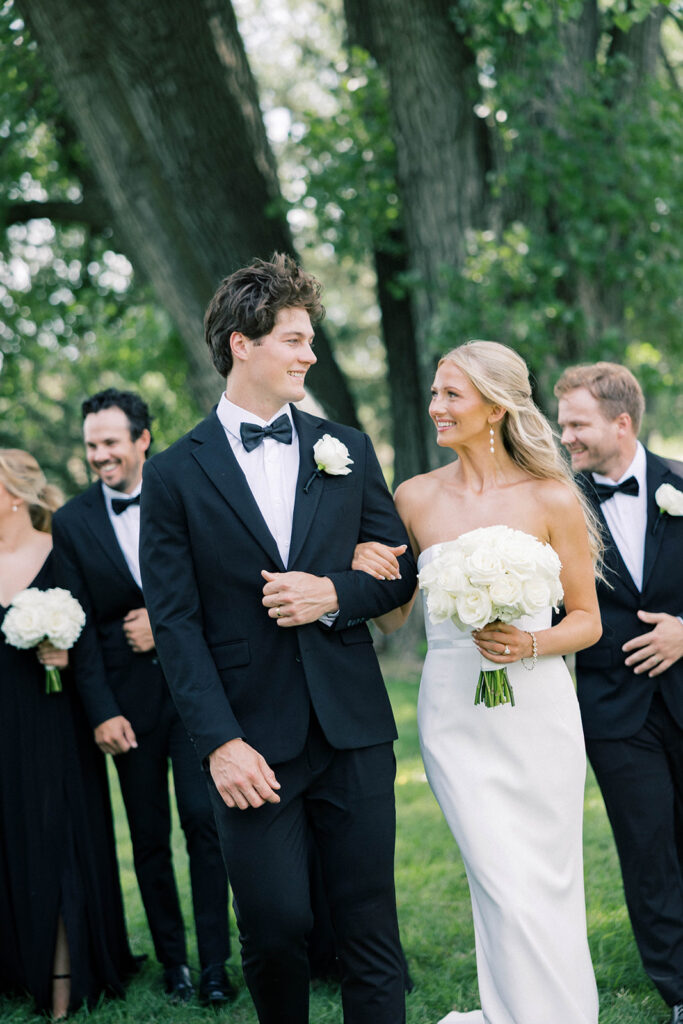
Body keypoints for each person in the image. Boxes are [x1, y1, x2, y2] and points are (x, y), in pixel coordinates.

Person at [137, 252, 418, 1024]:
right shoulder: (172, 477)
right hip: (250, 745)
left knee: (369, 928)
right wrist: (219, 744)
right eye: (294, 339)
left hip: (352, 729)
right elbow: (176, 625)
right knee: (275, 927)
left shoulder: (347, 449)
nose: (309, 354)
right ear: (242, 344)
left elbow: (399, 575)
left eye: (309, 339)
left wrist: (333, 592)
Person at [353, 340, 602, 1024]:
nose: (435, 407)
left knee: (544, 880)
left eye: (450, 395)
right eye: (434, 393)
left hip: (537, 710)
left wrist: (529, 640)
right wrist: (369, 567)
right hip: (453, 715)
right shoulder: (413, 496)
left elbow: (586, 621)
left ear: (494, 408)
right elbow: (394, 619)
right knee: (498, 880)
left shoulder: (551, 497)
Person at [51, 390, 233, 1006]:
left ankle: (215, 963)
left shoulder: (182, 491)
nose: (100, 455)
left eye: (109, 442)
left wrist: (163, 619)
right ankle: (174, 963)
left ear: (142, 438)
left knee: (205, 825)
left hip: (194, 693)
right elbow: (79, 624)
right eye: (91, 446)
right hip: (125, 706)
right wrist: (100, 709)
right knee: (149, 836)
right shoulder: (73, 521)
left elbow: (217, 587)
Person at [556, 362, 683, 1024]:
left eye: (576, 423)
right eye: (562, 423)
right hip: (612, 709)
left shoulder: (681, 484)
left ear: (621, 423)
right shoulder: (557, 502)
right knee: (646, 848)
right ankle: (678, 988)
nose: (565, 434)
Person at [0, 449, 135, 1018]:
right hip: (2, 722)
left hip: (54, 718)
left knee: (57, 833)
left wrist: (64, 645)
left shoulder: (61, 550)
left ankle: (65, 968)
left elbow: (98, 629)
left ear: (12, 495)